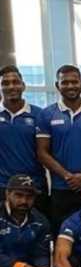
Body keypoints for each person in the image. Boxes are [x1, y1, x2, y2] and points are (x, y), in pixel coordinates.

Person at [36, 65, 81, 234]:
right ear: (57, 85)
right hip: (60, 188)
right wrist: (67, 176)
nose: (70, 86)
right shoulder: (46, 114)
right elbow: (42, 152)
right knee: (61, 235)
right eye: (65, 82)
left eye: (74, 82)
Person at [0, 66, 48, 214]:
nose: (11, 86)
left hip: (34, 186)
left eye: (15, 82)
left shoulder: (40, 115)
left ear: (23, 85)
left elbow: (46, 151)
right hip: (3, 186)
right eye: (5, 83)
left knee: (40, 231)